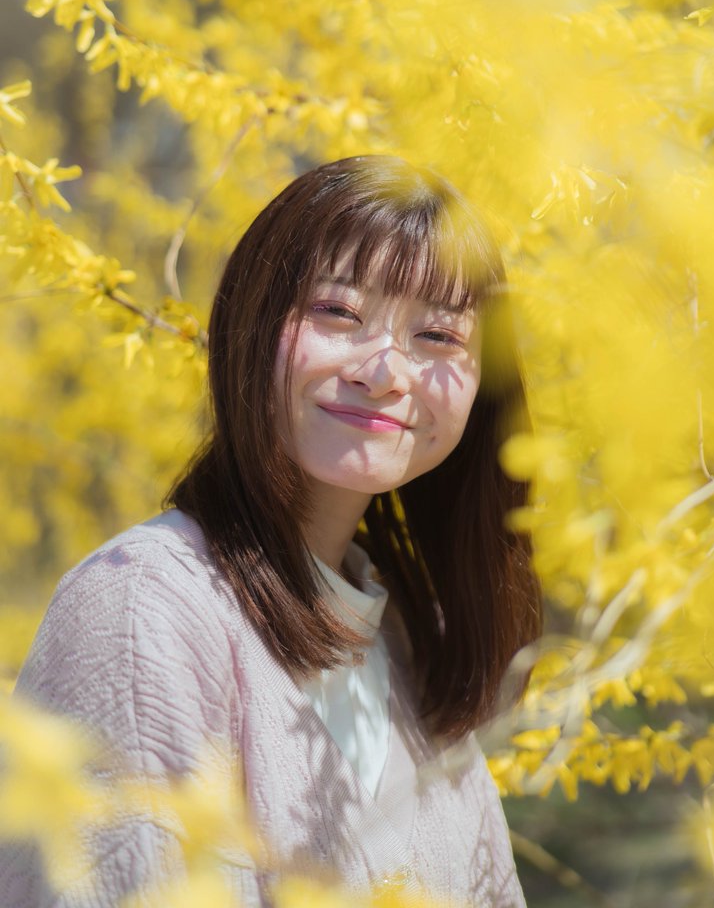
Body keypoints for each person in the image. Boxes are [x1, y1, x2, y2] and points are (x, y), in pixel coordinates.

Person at [1, 155, 543, 907]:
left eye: (440, 337)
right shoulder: (143, 608)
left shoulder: (407, 650)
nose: (385, 372)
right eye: (339, 313)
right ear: (251, 326)